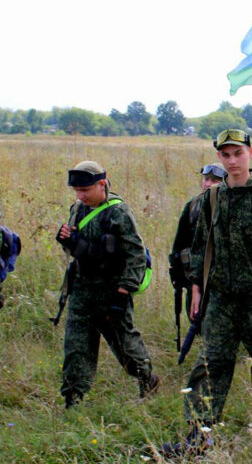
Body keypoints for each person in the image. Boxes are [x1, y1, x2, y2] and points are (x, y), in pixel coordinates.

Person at [163, 130, 252, 456]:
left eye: (237, 153)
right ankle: (198, 439)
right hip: (222, 299)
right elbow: (200, 246)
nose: (232, 161)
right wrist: (197, 288)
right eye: (225, 155)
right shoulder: (213, 197)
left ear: (250, 153)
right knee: (209, 366)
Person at [56, 161, 159, 409]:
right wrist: (67, 240)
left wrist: (123, 293)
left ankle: (147, 380)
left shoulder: (119, 213)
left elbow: (135, 255)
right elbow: (76, 249)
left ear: (101, 184)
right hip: (82, 289)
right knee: (76, 348)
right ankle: (73, 400)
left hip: (112, 290)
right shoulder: (77, 209)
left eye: (85, 190)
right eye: (77, 191)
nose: (80, 196)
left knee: (126, 347)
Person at [169, 163, 226, 322]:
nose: (208, 184)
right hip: (195, 275)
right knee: (195, 317)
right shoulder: (193, 206)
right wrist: (177, 271)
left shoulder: (230, 207)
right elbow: (180, 242)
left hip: (220, 280)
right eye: (206, 179)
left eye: (214, 181)